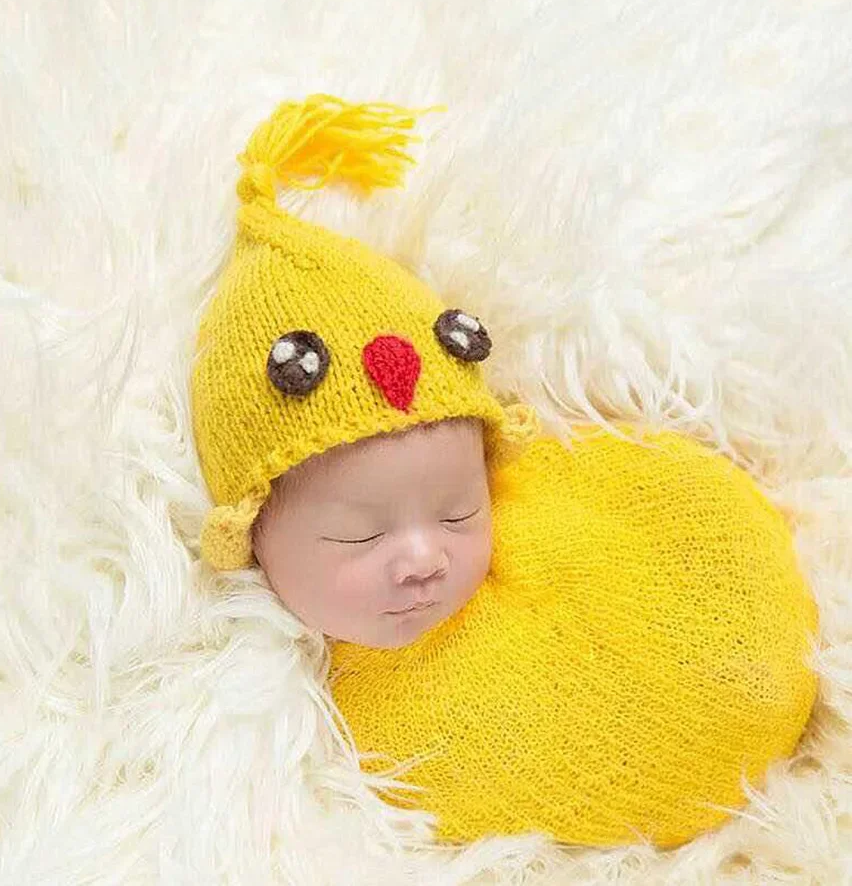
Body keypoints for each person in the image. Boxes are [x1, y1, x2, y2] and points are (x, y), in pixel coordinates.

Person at [190, 93, 819, 848]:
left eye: (459, 512)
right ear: (253, 532)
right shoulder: (280, 725)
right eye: (361, 536)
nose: (425, 557)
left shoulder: (566, 508)